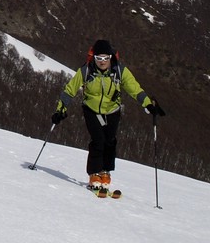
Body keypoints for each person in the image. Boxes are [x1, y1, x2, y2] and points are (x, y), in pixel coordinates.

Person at [51, 39, 165, 193]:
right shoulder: (86, 70)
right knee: (98, 141)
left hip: (112, 111)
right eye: (99, 58)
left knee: (110, 141)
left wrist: (148, 104)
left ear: (111, 57)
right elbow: (69, 90)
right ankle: (94, 174)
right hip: (91, 110)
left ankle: (105, 171)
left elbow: (134, 89)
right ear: (94, 58)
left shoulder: (119, 71)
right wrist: (60, 110)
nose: (102, 62)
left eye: (105, 58)